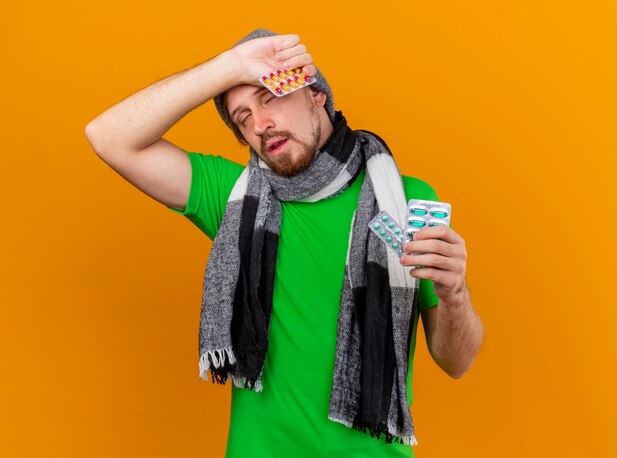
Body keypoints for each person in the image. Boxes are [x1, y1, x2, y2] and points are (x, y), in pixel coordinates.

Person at [85, 28, 484, 458]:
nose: (259, 124)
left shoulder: (405, 198)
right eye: (242, 118)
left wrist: (454, 293)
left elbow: (456, 362)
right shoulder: (234, 198)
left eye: (269, 97)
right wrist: (230, 66)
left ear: (315, 93)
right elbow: (108, 136)